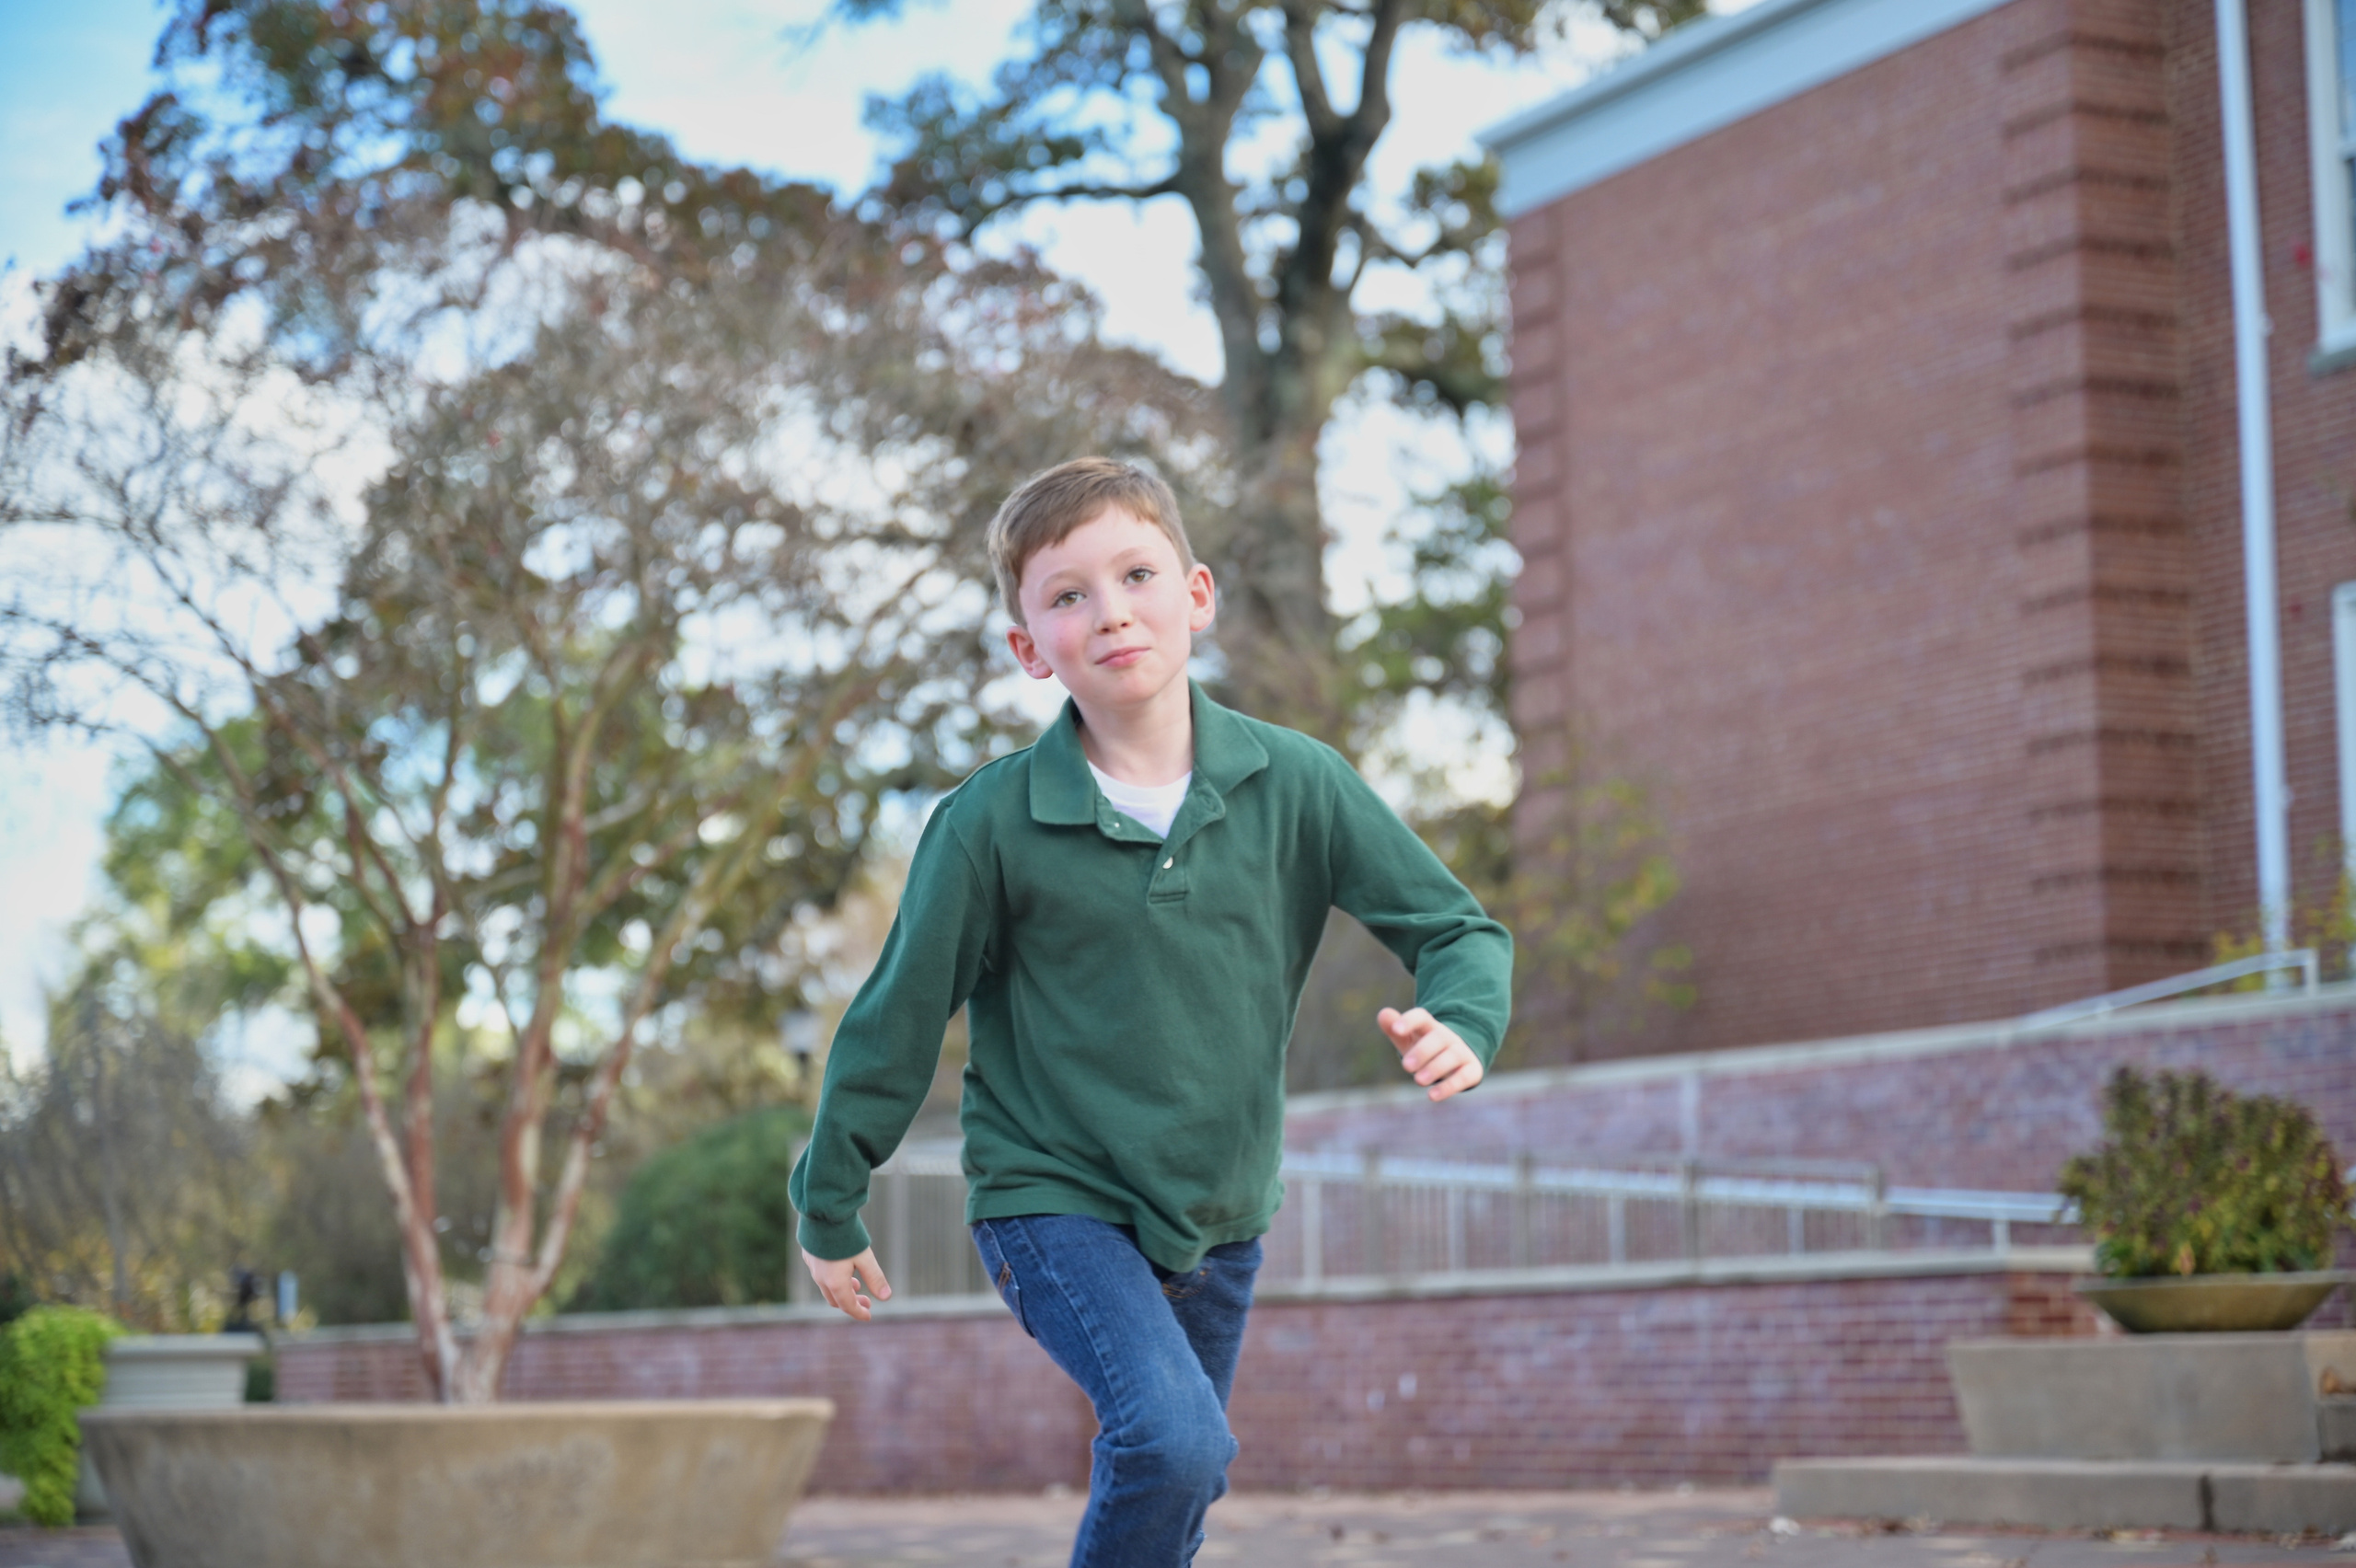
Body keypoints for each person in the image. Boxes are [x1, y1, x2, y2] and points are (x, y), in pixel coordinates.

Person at [789, 456, 1512, 1567]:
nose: (1111, 610)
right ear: (1030, 648)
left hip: (1220, 1212)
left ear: (1197, 595)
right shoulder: (989, 824)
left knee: (1182, 1470)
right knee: (1172, 1442)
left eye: (1136, 574)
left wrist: (1460, 1018)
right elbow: (898, 1014)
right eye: (1067, 594)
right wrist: (830, 1198)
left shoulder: (1298, 782)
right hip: (1052, 1197)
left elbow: (1456, 931)